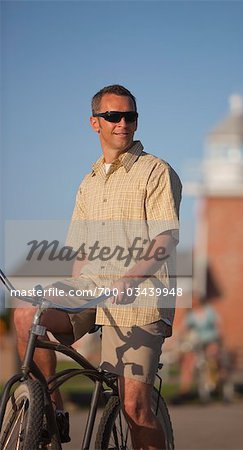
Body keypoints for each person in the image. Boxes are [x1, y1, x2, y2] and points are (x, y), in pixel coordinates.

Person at [14, 84, 182, 449]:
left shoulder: (156, 172)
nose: (123, 123)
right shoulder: (87, 183)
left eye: (130, 116)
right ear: (95, 123)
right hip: (93, 289)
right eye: (113, 116)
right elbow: (81, 254)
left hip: (142, 296)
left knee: (134, 406)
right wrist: (70, 299)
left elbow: (165, 240)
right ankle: (50, 409)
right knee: (29, 314)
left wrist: (131, 278)